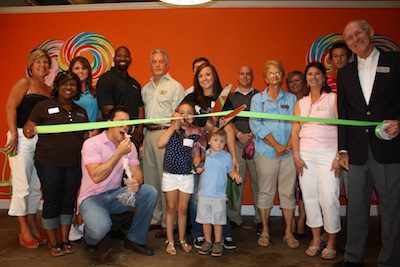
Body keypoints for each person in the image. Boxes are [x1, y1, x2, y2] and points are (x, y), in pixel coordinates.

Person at [336, 19, 400, 267]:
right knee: (357, 208)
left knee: (392, 208)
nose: (354, 40)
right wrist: (342, 149)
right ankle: (353, 258)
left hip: (389, 148)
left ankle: (390, 261)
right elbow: (344, 114)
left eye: (358, 34)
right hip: (357, 152)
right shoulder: (344, 73)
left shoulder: (395, 61)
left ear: (370, 32)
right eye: (349, 37)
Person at [77, 106, 157, 256]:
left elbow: (138, 173)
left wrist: (136, 182)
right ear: (109, 123)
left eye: (127, 122)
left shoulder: (129, 146)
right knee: (100, 230)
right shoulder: (92, 144)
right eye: (120, 122)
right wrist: (118, 153)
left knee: (148, 192)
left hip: (115, 195)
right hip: (92, 197)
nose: (125, 126)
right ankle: (89, 236)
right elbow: (96, 176)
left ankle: (135, 239)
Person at [23, 71, 88, 256]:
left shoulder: (80, 111)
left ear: (77, 89)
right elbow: (29, 129)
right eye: (64, 84)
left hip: (73, 163)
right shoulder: (43, 106)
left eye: (73, 85)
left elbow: (85, 138)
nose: (69, 87)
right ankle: (53, 243)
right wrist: (29, 129)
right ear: (57, 87)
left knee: (68, 201)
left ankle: (65, 239)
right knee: (52, 201)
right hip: (48, 162)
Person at [182, 62, 239, 250]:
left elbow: (229, 128)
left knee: (219, 195)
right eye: (200, 76)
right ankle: (199, 234)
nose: (204, 79)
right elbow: (183, 123)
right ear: (196, 79)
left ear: (214, 76)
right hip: (197, 153)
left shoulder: (224, 98)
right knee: (198, 197)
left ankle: (224, 234)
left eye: (208, 74)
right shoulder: (191, 98)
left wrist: (233, 157)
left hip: (217, 154)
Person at [291, 62, 340, 260]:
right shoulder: (300, 103)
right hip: (305, 155)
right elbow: (295, 130)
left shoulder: (333, 99)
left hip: (328, 155)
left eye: (317, 73)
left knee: (329, 198)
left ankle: (331, 242)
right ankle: (316, 238)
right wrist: (296, 155)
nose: (313, 77)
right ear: (306, 78)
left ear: (323, 77)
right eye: (310, 74)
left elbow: (342, 128)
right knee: (309, 198)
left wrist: (338, 155)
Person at [4, 48, 52, 249]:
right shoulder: (24, 83)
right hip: (22, 138)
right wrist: (14, 135)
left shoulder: (49, 90)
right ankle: (23, 229)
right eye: (38, 62)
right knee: (22, 186)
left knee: (34, 188)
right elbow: (10, 107)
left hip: (40, 141)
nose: (42, 65)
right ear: (30, 65)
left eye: (45, 62)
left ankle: (32, 225)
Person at [249, 59, 299, 249]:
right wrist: (276, 145)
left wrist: (287, 144)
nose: (274, 76)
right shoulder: (257, 99)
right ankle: (265, 231)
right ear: (265, 77)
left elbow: (296, 124)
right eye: (270, 73)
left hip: (288, 153)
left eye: (278, 73)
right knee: (266, 192)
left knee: (287, 193)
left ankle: (288, 232)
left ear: (282, 76)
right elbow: (256, 125)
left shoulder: (291, 99)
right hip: (266, 152)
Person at [142, 48, 185, 238]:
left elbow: (180, 117)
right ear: (150, 64)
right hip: (149, 135)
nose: (157, 65)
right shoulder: (146, 88)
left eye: (161, 62)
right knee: (150, 179)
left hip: (166, 135)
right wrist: (143, 140)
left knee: (165, 179)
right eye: (154, 62)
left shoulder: (176, 86)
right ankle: (155, 218)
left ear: (167, 64)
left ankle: (170, 223)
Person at [157, 102, 201, 255]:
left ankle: (182, 239)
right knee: (171, 208)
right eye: (181, 112)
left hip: (186, 176)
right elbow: (160, 143)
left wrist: (198, 165)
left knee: (183, 210)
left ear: (193, 117)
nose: (184, 114)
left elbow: (196, 156)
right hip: (170, 176)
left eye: (188, 112)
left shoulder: (195, 134)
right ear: (174, 115)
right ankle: (170, 241)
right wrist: (172, 127)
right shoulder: (171, 131)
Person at [196, 129, 242, 257]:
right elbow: (201, 174)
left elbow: (230, 171)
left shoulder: (226, 157)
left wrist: (235, 175)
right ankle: (207, 241)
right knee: (205, 220)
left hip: (219, 196)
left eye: (222, 141)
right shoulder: (205, 155)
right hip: (204, 194)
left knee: (218, 221)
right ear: (209, 141)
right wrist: (198, 190)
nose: (219, 143)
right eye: (216, 140)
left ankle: (217, 242)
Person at [226, 65, 261, 233]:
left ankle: (261, 219)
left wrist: (253, 134)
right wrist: (239, 134)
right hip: (237, 145)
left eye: (248, 74)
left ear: (252, 76)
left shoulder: (260, 96)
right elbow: (226, 121)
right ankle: (234, 217)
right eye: (242, 74)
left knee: (259, 183)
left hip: (257, 145)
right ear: (237, 77)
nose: (245, 76)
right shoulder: (231, 97)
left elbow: (264, 119)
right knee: (236, 182)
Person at [96, 46, 144, 147]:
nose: (122, 58)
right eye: (119, 56)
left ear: (130, 60)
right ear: (114, 59)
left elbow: (140, 108)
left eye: (126, 56)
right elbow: (106, 109)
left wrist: (139, 129)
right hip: (113, 136)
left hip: (133, 137)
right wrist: (130, 128)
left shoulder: (135, 83)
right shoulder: (106, 79)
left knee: (131, 163)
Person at [286, 70, 307, 239]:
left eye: (297, 80)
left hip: (308, 147)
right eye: (291, 81)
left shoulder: (310, 100)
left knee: (305, 186)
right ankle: (291, 219)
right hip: (289, 149)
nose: (294, 84)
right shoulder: (286, 101)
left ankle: (302, 219)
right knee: (291, 186)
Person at [69, 56, 99, 123]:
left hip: (93, 132)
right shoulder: (67, 93)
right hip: (74, 131)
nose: (81, 71)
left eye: (84, 68)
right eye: (77, 68)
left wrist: (96, 129)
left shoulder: (95, 92)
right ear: (71, 71)